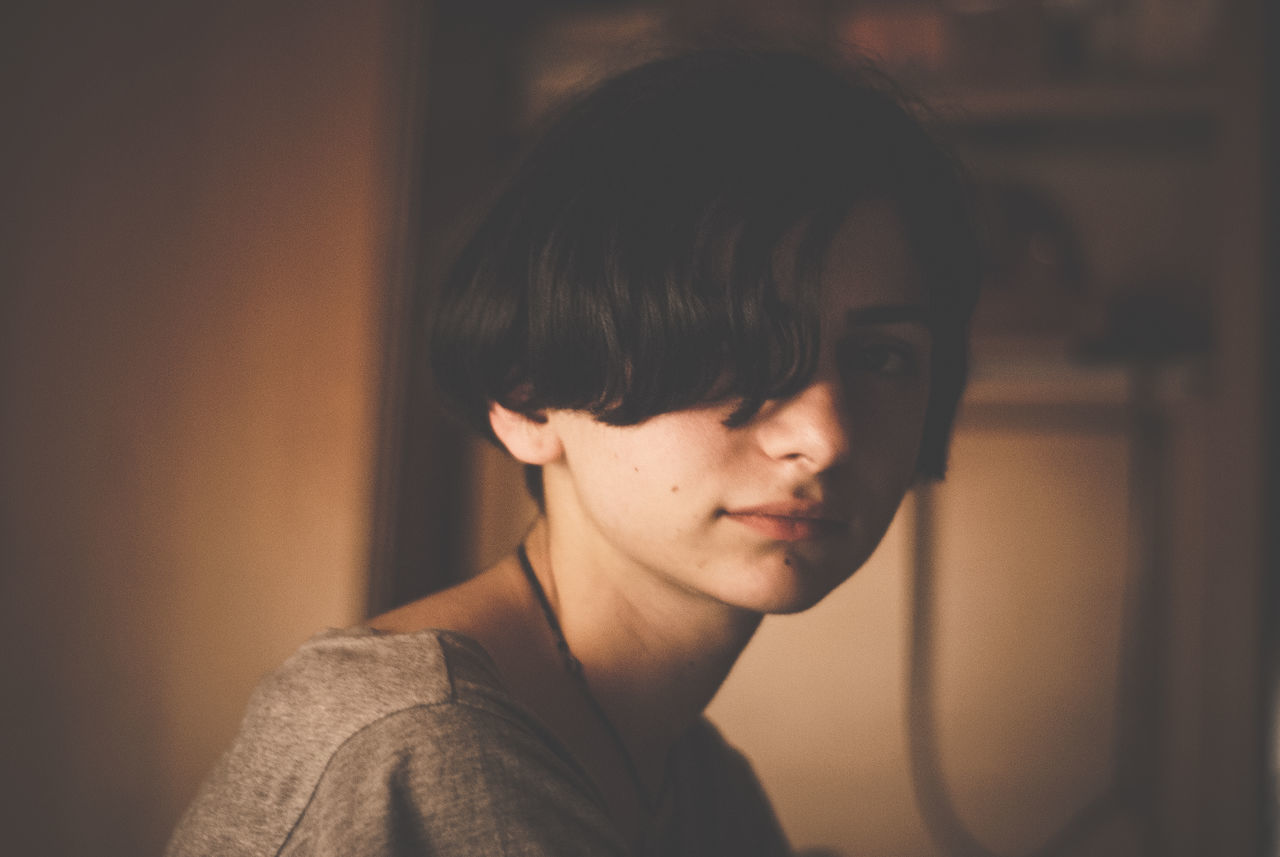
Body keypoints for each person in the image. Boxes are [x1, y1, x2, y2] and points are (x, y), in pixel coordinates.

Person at [166, 47, 981, 857]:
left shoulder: (701, 786)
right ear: (528, 397)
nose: (825, 436)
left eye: (882, 357)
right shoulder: (402, 751)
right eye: (739, 348)